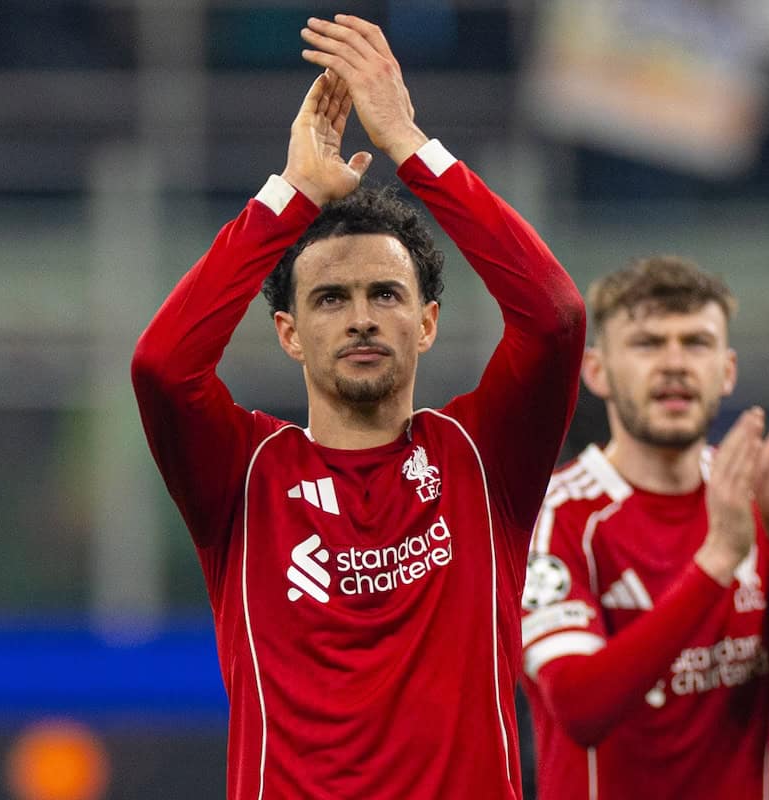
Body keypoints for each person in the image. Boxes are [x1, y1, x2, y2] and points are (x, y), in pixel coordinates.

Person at [131, 14, 586, 800]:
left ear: (429, 322)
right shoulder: (241, 476)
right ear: (290, 334)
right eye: (331, 299)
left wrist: (411, 144)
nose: (362, 317)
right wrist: (293, 194)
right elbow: (163, 366)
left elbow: (554, 316)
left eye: (386, 294)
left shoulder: (484, 459)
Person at [518, 256, 769, 799]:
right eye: (647, 344)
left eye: (696, 343)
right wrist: (715, 562)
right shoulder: (557, 514)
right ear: (596, 371)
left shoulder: (763, 493)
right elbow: (580, 708)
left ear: (728, 369)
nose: (675, 364)